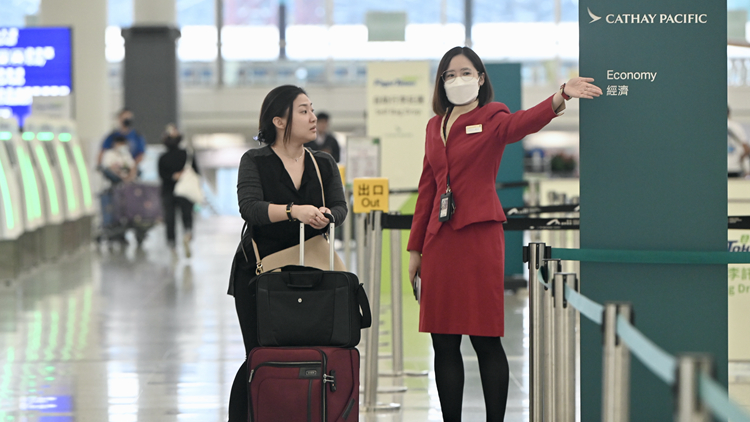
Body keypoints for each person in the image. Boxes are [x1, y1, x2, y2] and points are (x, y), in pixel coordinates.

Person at [406, 46, 601, 422]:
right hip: (439, 242)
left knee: (484, 339)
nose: (456, 79)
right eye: (448, 74)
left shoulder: (492, 116)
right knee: (442, 341)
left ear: (480, 78)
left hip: (478, 238)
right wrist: (415, 250)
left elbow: (521, 124)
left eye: (465, 72)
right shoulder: (435, 126)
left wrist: (560, 95)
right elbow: (428, 188)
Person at [226, 85, 347, 421]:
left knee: (307, 353)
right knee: (260, 355)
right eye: (304, 111)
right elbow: (250, 208)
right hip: (260, 274)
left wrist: (326, 215)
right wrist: (295, 211)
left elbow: (340, 206)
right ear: (280, 120)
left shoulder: (322, 162)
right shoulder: (255, 160)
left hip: (311, 272)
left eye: (312, 109)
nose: (313, 117)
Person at [157, 124, 199, 258]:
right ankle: (187, 234)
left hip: (168, 191)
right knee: (187, 215)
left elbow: (162, 175)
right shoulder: (187, 154)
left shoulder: (162, 157)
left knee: (170, 220)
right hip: (185, 191)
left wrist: (172, 176)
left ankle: (172, 246)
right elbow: (196, 172)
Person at [728, 106, 749, 178]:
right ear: (729, 113)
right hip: (735, 168)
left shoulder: (712, 127)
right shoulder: (736, 126)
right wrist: (740, 160)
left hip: (718, 168)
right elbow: (746, 149)